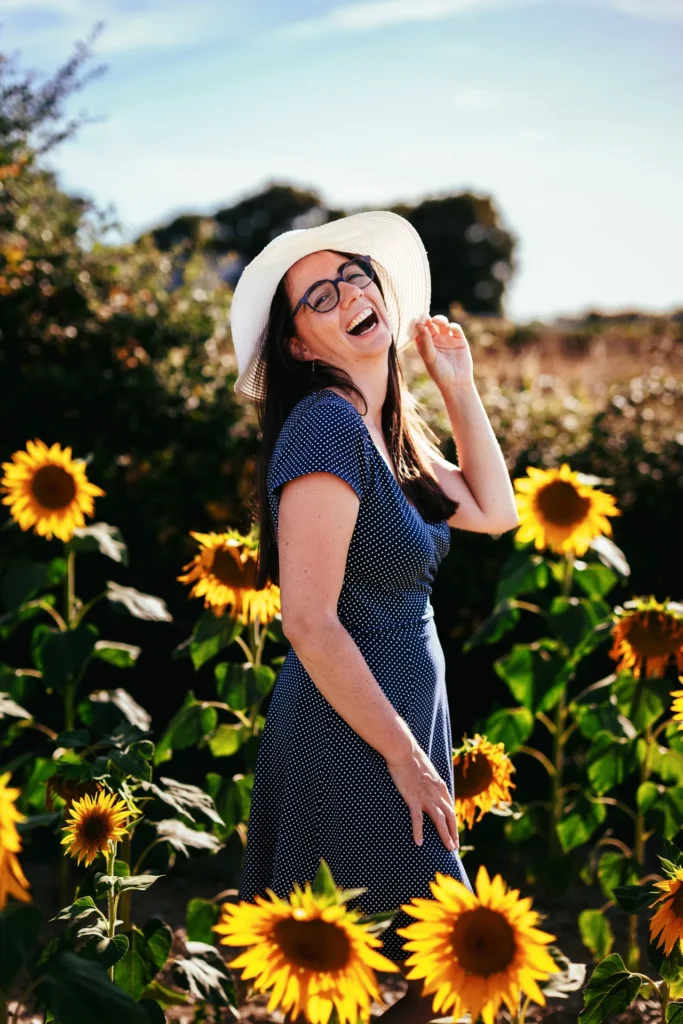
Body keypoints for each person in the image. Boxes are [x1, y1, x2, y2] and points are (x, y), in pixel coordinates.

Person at [229, 210, 520, 1021]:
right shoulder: (324, 425)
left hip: (394, 726)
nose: (348, 291)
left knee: (356, 980)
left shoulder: (384, 432)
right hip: (353, 737)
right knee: (454, 961)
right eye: (318, 295)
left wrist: (454, 382)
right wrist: (404, 757)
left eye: (354, 273)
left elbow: (495, 511)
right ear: (299, 344)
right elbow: (309, 623)